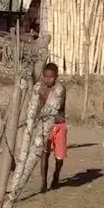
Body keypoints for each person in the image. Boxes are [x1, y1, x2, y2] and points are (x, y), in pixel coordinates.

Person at [37, 62, 67, 192]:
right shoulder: (40, 89)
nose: (48, 79)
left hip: (58, 124)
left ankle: (56, 175)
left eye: (51, 77)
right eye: (46, 76)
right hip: (45, 124)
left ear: (56, 76)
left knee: (59, 156)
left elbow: (59, 106)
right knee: (44, 153)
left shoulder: (60, 89)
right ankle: (43, 182)